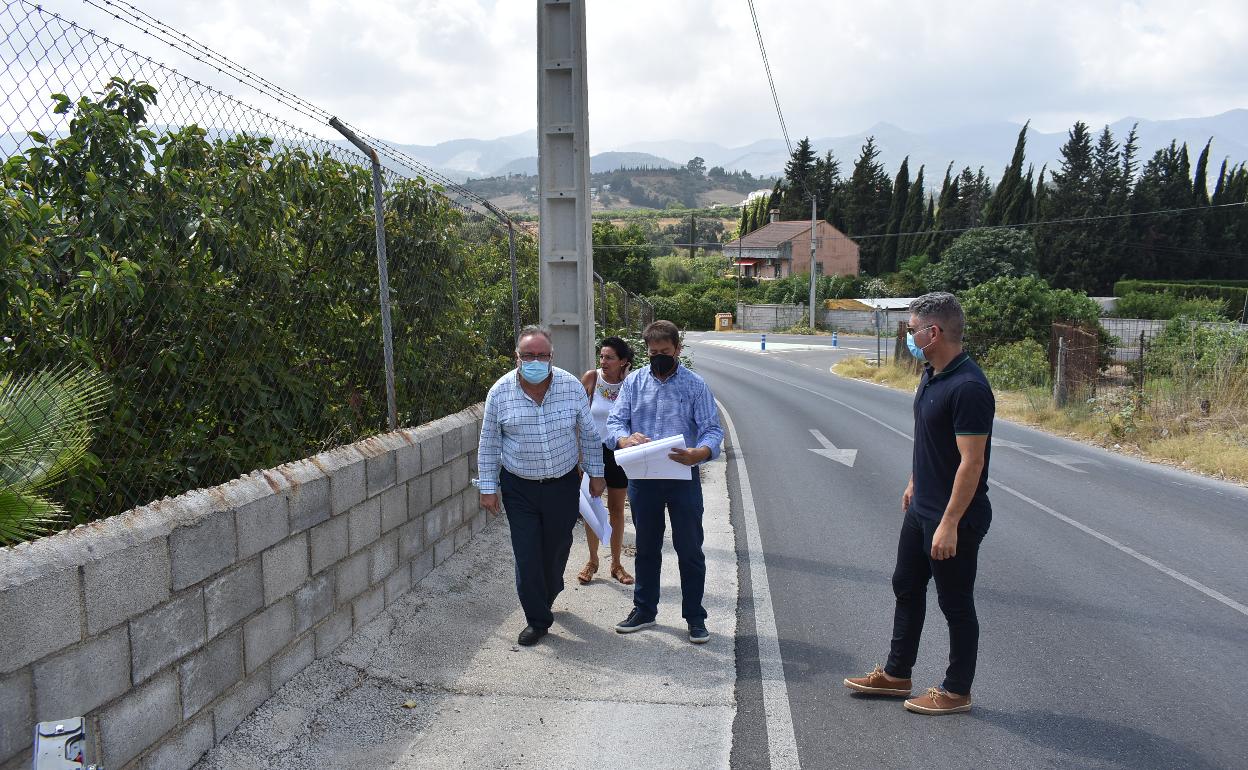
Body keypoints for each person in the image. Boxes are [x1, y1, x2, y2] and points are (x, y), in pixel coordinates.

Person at [843, 292, 994, 714]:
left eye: (912, 330)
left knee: (955, 604)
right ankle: (897, 674)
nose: (909, 336)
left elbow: (971, 462)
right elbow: (932, 441)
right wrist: (914, 480)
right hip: (922, 507)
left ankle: (956, 690)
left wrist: (949, 524)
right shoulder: (932, 373)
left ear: (934, 332)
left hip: (954, 517)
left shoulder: (969, 387)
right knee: (906, 586)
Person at [478, 325, 606, 647]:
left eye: (541, 355)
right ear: (517, 357)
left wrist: (597, 473)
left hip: (562, 484)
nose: (535, 360)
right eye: (528, 355)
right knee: (527, 553)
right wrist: (488, 487)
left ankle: (548, 592)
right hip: (519, 486)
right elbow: (489, 442)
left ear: (552, 356)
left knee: (557, 547)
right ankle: (537, 619)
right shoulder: (500, 392)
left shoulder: (570, 387)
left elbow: (589, 434)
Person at [606, 320, 724, 644]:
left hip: (682, 478)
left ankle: (695, 617)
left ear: (678, 350)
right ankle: (644, 609)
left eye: (665, 352)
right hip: (644, 480)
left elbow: (713, 430)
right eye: (653, 352)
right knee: (646, 547)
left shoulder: (695, 385)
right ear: (646, 351)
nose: (659, 357)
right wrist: (625, 439)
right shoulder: (633, 384)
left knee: (689, 549)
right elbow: (615, 422)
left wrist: (699, 452)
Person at [577, 337, 636, 586]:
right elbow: (577, 415)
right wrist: (578, 455)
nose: (604, 362)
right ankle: (592, 561)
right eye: (601, 356)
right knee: (591, 506)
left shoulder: (631, 384)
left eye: (610, 357)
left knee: (616, 509)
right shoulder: (592, 378)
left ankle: (616, 563)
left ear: (624, 361)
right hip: (592, 452)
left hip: (619, 452)